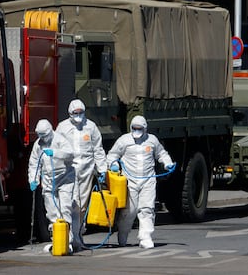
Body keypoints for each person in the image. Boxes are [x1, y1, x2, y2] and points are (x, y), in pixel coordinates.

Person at [107, 115, 174, 249]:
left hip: (148, 180)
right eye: (134, 128)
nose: (137, 130)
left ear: (145, 129)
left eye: (140, 128)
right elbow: (112, 154)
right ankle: (123, 233)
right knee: (130, 211)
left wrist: (168, 163)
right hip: (130, 180)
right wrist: (113, 164)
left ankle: (145, 237)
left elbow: (161, 154)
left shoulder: (152, 140)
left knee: (147, 209)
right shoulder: (124, 140)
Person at [56, 99, 107, 251]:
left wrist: (102, 168)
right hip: (68, 171)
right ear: (69, 113)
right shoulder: (62, 128)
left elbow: (98, 149)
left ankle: (77, 235)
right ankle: (71, 238)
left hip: (86, 170)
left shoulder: (90, 127)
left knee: (82, 206)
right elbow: (56, 148)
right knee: (71, 203)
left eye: (80, 113)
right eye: (75, 113)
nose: (78, 116)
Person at [28, 119, 75, 253]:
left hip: (65, 179)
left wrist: (55, 153)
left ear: (50, 132)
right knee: (52, 211)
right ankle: (56, 240)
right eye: (40, 135)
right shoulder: (38, 145)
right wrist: (33, 179)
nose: (42, 138)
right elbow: (34, 163)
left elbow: (70, 153)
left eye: (44, 135)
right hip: (48, 181)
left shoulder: (60, 140)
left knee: (65, 208)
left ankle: (68, 241)